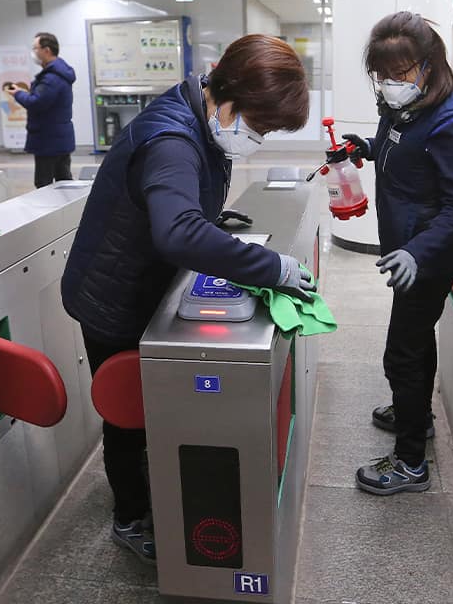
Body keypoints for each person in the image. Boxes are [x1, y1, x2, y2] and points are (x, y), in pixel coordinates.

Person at [60, 34, 313, 563]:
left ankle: (158, 487)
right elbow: (176, 232)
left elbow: (179, 206)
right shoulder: (172, 139)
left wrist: (208, 218)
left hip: (144, 281)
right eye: (259, 126)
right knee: (128, 411)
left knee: (156, 404)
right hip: (114, 297)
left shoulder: (200, 111)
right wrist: (273, 268)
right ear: (226, 97)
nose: (257, 139)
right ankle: (129, 516)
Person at [329, 12, 453, 496]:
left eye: (402, 72)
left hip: (427, 257)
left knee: (402, 355)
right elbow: (397, 149)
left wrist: (417, 252)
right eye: (383, 74)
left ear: (430, 67)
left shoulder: (451, 121)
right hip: (406, 249)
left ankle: (411, 463)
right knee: (415, 341)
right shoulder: (400, 106)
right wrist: (364, 148)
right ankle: (418, 415)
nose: (392, 82)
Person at [7, 32, 77, 188]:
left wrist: (18, 94)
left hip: (48, 140)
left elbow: (36, 103)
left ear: (46, 50)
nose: (33, 52)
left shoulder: (51, 78)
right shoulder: (59, 72)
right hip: (58, 138)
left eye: (35, 48)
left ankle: (52, 212)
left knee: (44, 184)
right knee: (63, 181)